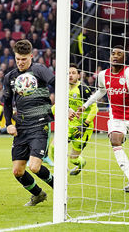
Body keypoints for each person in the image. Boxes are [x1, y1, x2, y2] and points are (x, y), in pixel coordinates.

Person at [3, 39, 55, 206]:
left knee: (34, 167)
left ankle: (60, 189)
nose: (20, 62)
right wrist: (8, 124)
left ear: (31, 56)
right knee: (18, 171)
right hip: (21, 128)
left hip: (40, 124)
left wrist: (64, 106)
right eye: (18, 59)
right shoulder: (10, 77)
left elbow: (57, 84)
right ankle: (38, 195)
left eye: (24, 59)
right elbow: (6, 102)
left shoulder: (39, 70)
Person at [77, 46, 129, 191]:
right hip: (117, 117)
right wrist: (86, 105)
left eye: (120, 54)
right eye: (113, 53)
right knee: (115, 140)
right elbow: (101, 91)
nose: (115, 56)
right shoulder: (103, 75)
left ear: (124, 59)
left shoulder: (127, 73)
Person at [49, 64, 98, 175]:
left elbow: (94, 108)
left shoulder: (83, 89)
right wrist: (48, 113)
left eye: (73, 73)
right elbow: (59, 105)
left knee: (73, 158)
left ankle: (81, 163)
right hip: (68, 125)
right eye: (68, 73)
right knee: (53, 148)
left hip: (82, 128)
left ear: (79, 75)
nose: (70, 75)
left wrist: (85, 124)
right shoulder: (63, 89)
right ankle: (62, 172)